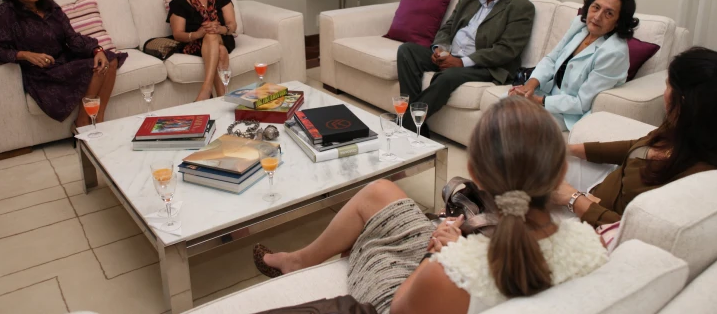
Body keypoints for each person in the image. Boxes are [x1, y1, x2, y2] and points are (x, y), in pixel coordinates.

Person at [253, 98, 607, 314]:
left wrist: (437, 255)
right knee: (380, 190)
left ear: (473, 172)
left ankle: (348, 249)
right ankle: (299, 259)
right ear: (562, 171)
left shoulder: (455, 271)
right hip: (466, 258)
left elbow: (400, 308)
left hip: (405, 297)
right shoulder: (591, 245)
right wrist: (457, 248)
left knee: (377, 221)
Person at [553, 47, 717, 228]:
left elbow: (631, 230)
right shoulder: (691, 128)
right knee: (531, 157)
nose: (664, 92)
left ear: (684, 102)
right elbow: (641, 146)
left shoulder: (694, 179)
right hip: (602, 188)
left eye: (668, 85)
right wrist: (571, 149)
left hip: (594, 218)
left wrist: (573, 199)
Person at [0, 0, 126, 131]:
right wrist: (24, 54)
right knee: (95, 68)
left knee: (109, 60)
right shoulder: (5, 14)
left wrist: (96, 49)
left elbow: (72, 37)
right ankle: (81, 124)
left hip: (64, 59)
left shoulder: (48, 5)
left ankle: (99, 119)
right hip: (42, 72)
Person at [398, 0, 534, 136]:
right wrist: (440, 49)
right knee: (407, 51)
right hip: (452, 55)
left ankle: (406, 123)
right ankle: (417, 127)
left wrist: (461, 62)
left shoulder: (520, 7)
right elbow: (447, 28)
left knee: (447, 76)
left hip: (487, 66)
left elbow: (506, 49)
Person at [509, 0, 637, 131]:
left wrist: (537, 100)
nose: (597, 17)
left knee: (515, 121)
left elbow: (581, 103)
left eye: (609, 13)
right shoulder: (580, 26)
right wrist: (528, 87)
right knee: (502, 107)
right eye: (596, 7)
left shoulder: (614, 53)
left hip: (569, 113)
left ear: (619, 22)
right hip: (547, 93)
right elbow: (551, 59)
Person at [167, 0, 238, 101]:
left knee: (213, 36)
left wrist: (221, 29)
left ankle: (205, 91)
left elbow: (232, 25)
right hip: (195, 43)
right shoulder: (179, 1)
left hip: (223, 37)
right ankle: (222, 100)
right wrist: (198, 33)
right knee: (220, 50)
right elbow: (177, 34)